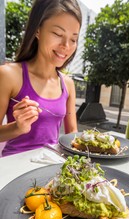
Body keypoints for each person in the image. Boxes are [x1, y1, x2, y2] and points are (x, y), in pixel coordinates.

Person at [0, 0, 82, 156]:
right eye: (58, 34)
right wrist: (17, 128)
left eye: (73, 39)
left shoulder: (68, 84)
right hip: (14, 169)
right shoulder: (8, 75)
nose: (66, 45)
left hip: (52, 168)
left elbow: (73, 134)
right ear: (37, 30)